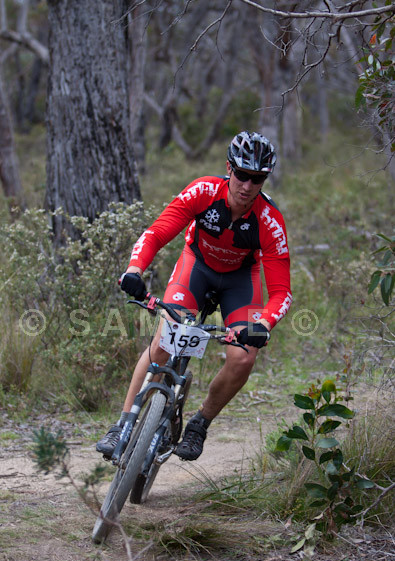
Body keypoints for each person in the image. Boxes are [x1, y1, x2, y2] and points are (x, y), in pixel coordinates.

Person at [97, 131, 292, 461]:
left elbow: (281, 293)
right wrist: (134, 270)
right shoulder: (204, 191)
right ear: (229, 168)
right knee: (164, 341)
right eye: (242, 175)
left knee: (243, 356)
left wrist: (264, 324)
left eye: (256, 179)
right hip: (197, 267)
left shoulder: (269, 221)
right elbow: (157, 232)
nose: (247, 185)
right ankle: (123, 423)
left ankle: (200, 423)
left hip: (239, 280)